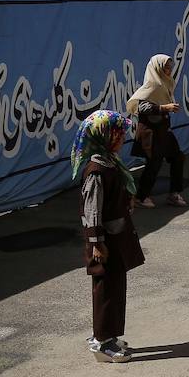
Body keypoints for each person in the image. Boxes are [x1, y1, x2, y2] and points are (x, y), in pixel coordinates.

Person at [72, 110, 146, 363]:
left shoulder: (110, 163)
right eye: (118, 134)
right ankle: (102, 344)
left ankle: (107, 336)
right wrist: (96, 244)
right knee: (105, 290)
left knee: (115, 287)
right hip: (105, 242)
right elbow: (91, 211)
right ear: (104, 136)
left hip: (116, 237)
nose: (122, 138)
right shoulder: (96, 170)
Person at [127, 54, 187, 208]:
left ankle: (174, 194)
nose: (168, 70)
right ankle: (141, 196)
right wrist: (164, 108)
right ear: (157, 68)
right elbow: (141, 107)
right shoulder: (152, 85)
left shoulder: (165, 83)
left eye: (170, 67)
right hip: (151, 133)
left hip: (163, 130)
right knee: (154, 163)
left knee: (177, 157)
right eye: (165, 67)